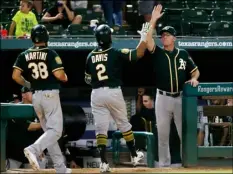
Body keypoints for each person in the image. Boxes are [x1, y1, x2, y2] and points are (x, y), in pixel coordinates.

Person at [84, 23, 147, 172]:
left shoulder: (90, 56)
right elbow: (138, 54)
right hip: (113, 91)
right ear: (108, 37)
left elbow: (87, 79)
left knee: (101, 129)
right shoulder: (115, 52)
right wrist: (143, 38)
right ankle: (134, 155)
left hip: (96, 93)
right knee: (123, 123)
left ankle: (104, 163)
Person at [145, 5, 200, 167]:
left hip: (179, 97)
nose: (164, 38)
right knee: (162, 135)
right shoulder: (158, 53)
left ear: (174, 38)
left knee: (184, 134)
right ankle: (163, 165)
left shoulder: (182, 53)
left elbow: (195, 71)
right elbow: (148, 40)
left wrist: (194, 79)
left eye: (167, 36)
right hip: (162, 98)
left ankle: (187, 163)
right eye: (162, 36)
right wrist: (153, 20)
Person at [12, 24, 70, 173]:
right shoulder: (50, 53)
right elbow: (59, 75)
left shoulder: (24, 54)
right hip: (50, 94)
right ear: (46, 37)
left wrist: (28, 83)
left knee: (49, 133)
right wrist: (64, 77)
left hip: (36, 96)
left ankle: (60, 168)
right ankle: (33, 149)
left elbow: (15, 76)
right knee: (56, 131)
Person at [6, 87, 44, 169]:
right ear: (24, 95)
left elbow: (41, 132)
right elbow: (29, 127)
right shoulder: (16, 108)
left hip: (32, 155)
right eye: (33, 93)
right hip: (15, 154)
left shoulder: (38, 108)